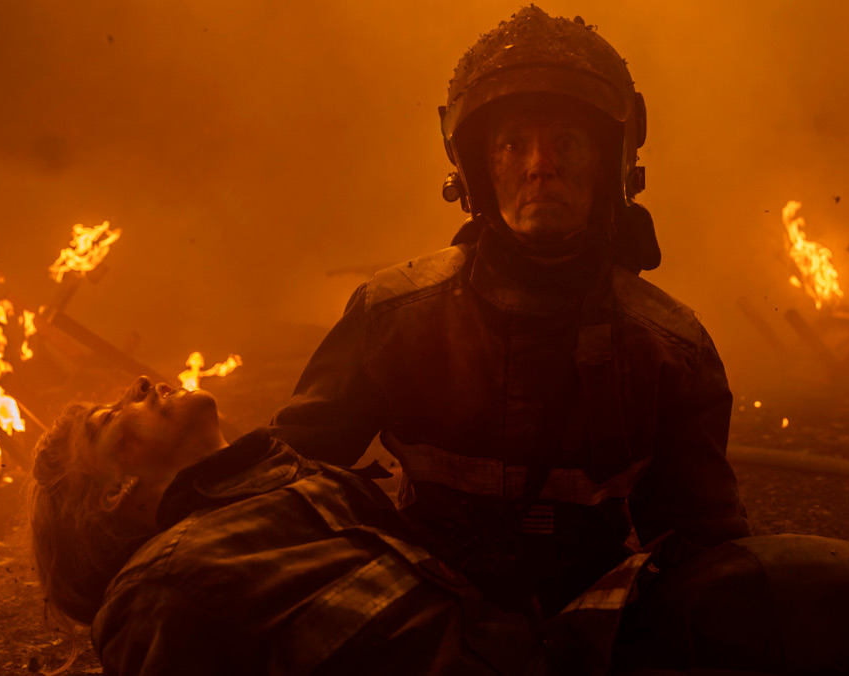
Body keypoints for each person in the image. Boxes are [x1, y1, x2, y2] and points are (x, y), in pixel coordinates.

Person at [29, 376, 849, 676]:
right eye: (101, 425)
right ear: (114, 497)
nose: (133, 387)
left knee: (780, 586)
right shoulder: (159, 590)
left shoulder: (276, 490)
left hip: (534, 647)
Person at [271, 4, 748, 619]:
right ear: (475, 169)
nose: (539, 166)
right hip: (414, 619)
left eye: (567, 143)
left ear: (611, 164)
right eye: (512, 143)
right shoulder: (392, 314)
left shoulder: (669, 348)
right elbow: (284, 486)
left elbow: (707, 553)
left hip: (589, 628)